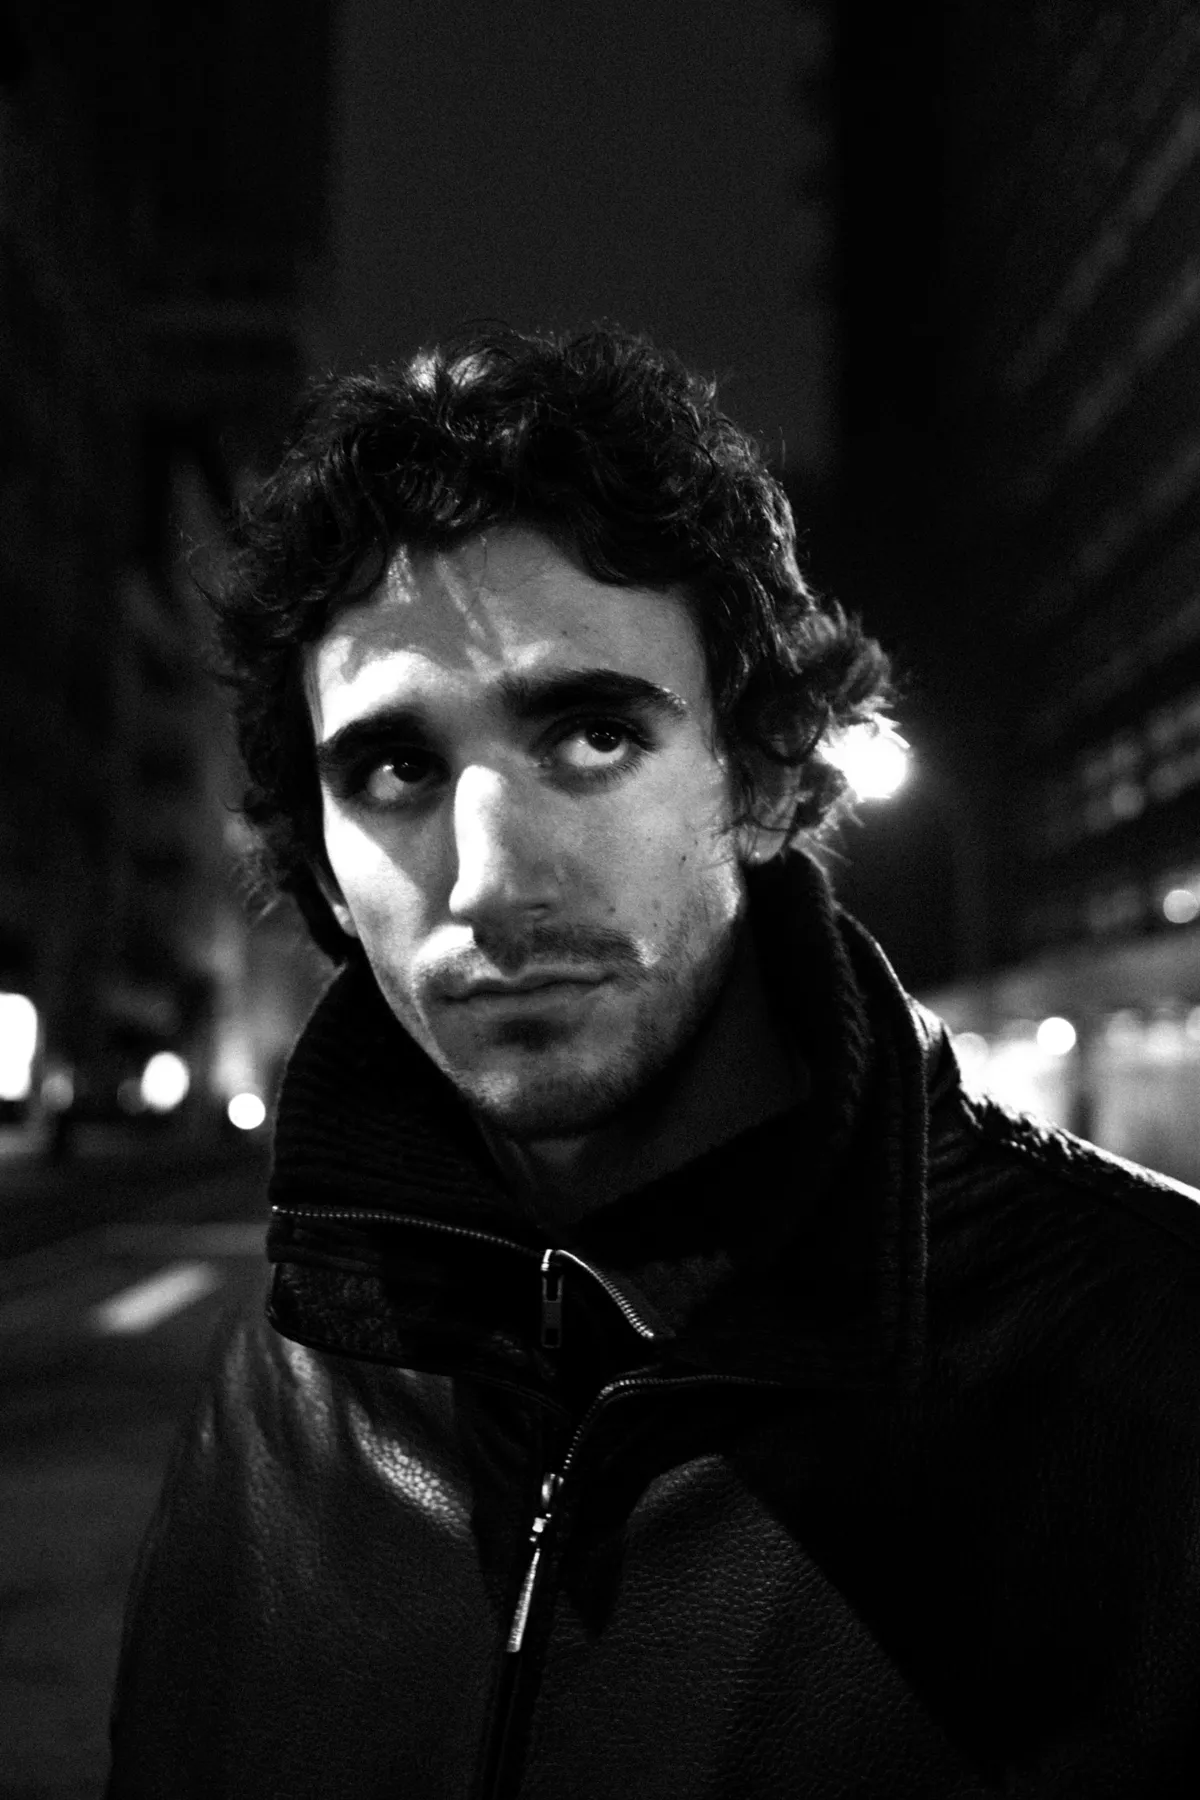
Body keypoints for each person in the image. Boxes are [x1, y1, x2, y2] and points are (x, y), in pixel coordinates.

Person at [106, 327, 1200, 1800]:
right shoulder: (279, 1395)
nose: (491, 879)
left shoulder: (1151, 1367)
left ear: (764, 777)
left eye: (592, 735)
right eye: (395, 769)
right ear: (320, 864)